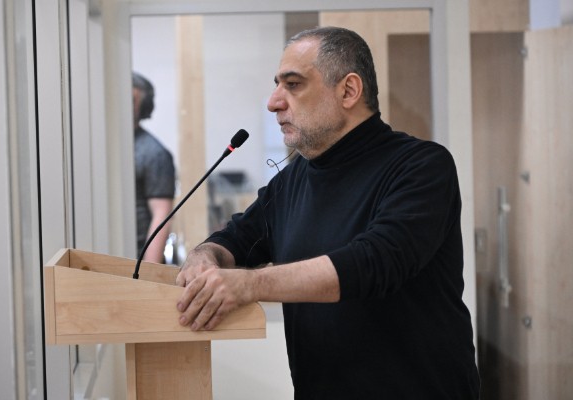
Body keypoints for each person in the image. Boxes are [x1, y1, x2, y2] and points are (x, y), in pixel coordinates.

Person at [175, 27, 480, 399]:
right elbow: (235, 240)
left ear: (348, 90)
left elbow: (375, 261)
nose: (273, 102)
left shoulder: (421, 166)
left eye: (293, 84)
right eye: (277, 85)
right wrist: (203, 256)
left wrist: (249, 285)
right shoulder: (291, 181)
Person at [132, 72, 176, 262]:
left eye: (131, 100)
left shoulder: (155, 153)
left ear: (143, 106)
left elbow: (161, 216)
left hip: (135, 259)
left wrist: (147, 271)